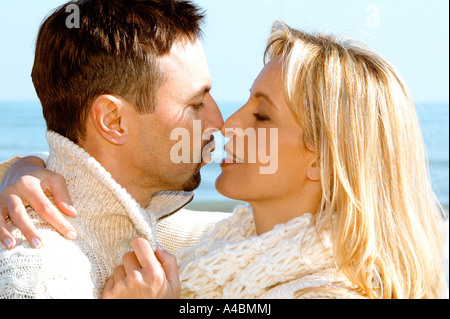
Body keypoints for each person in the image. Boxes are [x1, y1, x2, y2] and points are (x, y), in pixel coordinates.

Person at [1, 22, 447, 298]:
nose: (227, 125)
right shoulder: (227, 243)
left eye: (262, 114)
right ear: (112, 119)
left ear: (324, 162)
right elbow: (106, 205)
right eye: (200, 102)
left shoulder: (319, 288)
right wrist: (24, 170)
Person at [0, 0, 227, 298]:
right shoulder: (40, 277)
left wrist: (22, 166)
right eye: (196, 104)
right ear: (113, 121)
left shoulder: (153, 226)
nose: (219, 122)